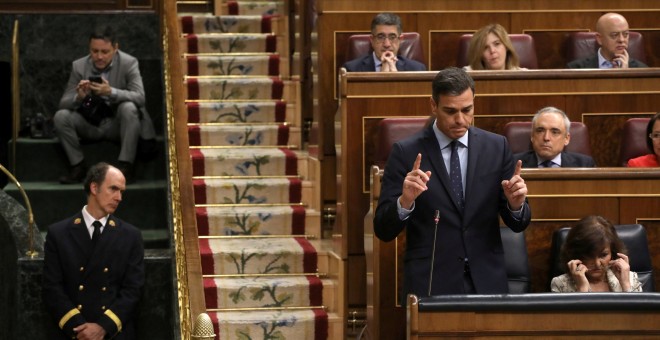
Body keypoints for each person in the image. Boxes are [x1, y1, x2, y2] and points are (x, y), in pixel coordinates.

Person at [374, 67, 531, 298]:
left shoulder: (497, 148)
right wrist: (404, 202)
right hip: (431, 282)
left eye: (467, 110)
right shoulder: (406, 152)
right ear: (433, 106)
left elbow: (518, 224)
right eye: (450, 111)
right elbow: (383, 229)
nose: (460, 120)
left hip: (486, 281)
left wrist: (516, 206)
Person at [42, 162, 144, 339]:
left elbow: (133, 290)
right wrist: (80, 329)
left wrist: (103, 327)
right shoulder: (58, 234)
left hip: (113, 333)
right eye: (113, 189)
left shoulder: (131, 236)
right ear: (94, 188)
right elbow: (52, 288)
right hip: (72, 333)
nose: (119, 197)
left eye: (122, 191)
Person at [54, 25, 156, 184]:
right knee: (61, 116)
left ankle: (126, 167)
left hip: (118, 124)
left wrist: (111, 92)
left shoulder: (129, 63)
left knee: (129, 107)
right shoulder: (79, 66)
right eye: (94, 51)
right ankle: (78, 166)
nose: (99, 57)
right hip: (90, 123)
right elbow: (63, 103)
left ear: (115, 48)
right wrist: (79, 98)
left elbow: (140, 97)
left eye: (104, 52)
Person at [551, 215, 643, 293]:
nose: (597, 264)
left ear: (613, 252)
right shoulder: (560, 284)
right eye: (589, 255)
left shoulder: (629, 278)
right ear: (576, 254)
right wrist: (582, 289)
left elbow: (641, 314)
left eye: (603, 255)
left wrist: (626, 285)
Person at [343, 12, 426, 72]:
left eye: (392, 37)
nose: (387, 44)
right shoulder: (352, 69)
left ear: (400, 40)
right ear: (372, 40)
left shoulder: (417, 69)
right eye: (380, 37)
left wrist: (396, 77)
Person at [515, 107, 596, 168]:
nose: (546, 138)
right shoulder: (513, 163)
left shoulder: (584, 164)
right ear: (532, 136)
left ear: (566, 139)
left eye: (555, 132)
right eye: (540, 131)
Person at [567, 13, 648, 69]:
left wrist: (625, 75)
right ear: (599, 39)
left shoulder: (641, 69)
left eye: (625, 34)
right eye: (614, 35)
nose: (621, 40)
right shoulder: (576, 68)